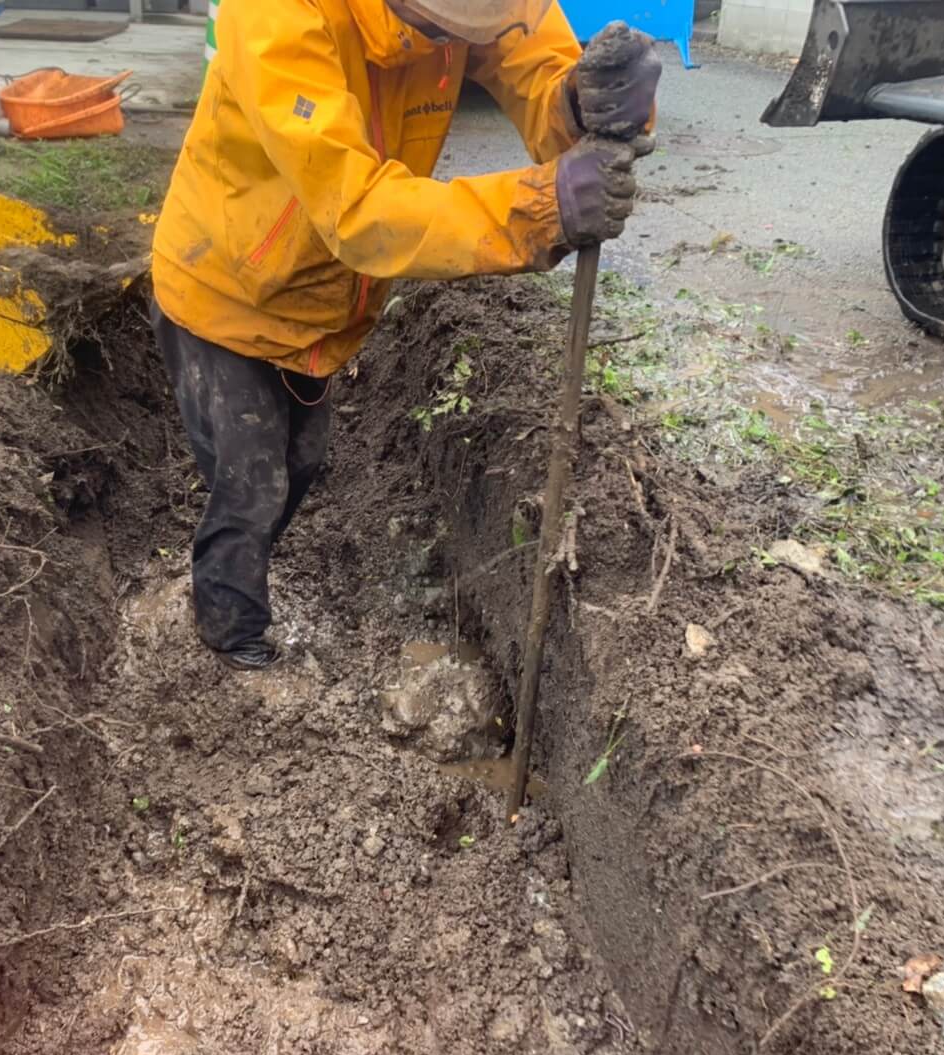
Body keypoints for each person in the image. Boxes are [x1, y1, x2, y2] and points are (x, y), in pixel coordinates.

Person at [151, 0, 661, 670]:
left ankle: (236, 574)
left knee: (300, 461)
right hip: (224, 288)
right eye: (439, 29)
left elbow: (539, 67)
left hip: (324, 305)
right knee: (252, 484)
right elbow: (356, 209)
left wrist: (579, 102)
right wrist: (540, 209)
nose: (451, 42)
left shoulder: (478, 5)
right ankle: (231, 643)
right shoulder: (275, 15)